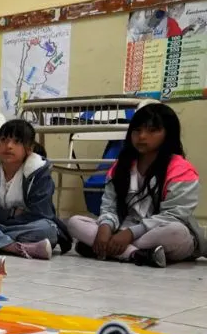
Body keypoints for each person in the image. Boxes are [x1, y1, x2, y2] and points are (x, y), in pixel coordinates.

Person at [67, 103, 206, 268]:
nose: (142, 136)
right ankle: (137, 254)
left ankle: (107, 249)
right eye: (137, 130)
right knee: (74, 222)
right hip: (125, 228)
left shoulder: (181, 169)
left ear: (168, 134)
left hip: (160, 232)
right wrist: (105, 226)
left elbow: (174, 216)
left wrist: (130, 234)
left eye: (152, 131)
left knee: (177, 232)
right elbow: (109, 206)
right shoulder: (121, 167)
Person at [0, 119, 69, 260]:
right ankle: (16, 247)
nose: (8, 146)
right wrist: (10, 214)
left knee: (47, 230)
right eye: (3, 140)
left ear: (29, 148)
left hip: (25, 226)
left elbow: (41, 213)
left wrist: (1, 225)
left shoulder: (39, 172)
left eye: (17, 142)